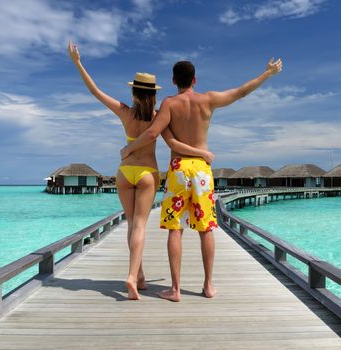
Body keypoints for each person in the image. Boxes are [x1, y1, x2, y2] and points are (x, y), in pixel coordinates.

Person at [121, 58, 283, 302]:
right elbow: (240, 92)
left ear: (174, 81)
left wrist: (129, 150)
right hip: (202, 171)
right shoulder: (208, 100)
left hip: (178, 169)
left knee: (175, 229)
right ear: (194, 80)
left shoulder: (169, 104)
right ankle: (208, 285)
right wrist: (267, 74)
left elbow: (154, 133)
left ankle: (175, 290)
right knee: (206, 229)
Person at [67, 41, 214, 300]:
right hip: (147, 173)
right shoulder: (159, 115)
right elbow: (170, 141)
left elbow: (95, 91)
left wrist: (78, 62)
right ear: (154, 95)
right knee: (141, 226)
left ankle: (140, 275)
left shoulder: (125, 112)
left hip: (125, 173)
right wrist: (202, 153)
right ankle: (134, 277)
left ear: (134, 93)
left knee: (130, 223)